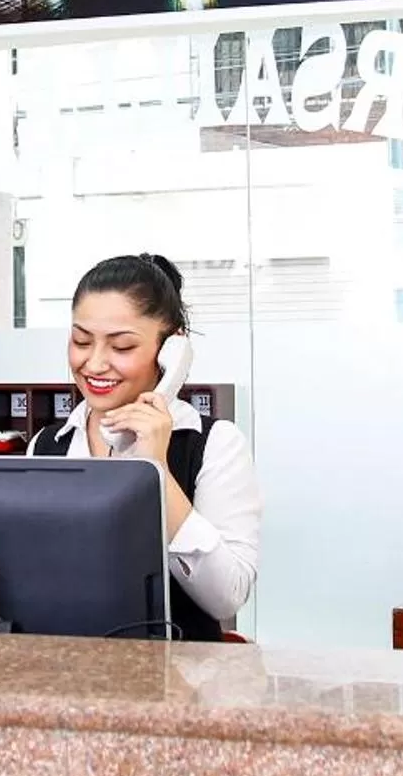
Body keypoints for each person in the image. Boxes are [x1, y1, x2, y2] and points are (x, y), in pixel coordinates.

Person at [29, 254, 262, 641]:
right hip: (64, 674)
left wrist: (156, 469)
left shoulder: (213, 444)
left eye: (121, 347)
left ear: (171, 351)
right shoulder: (48, 445)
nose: (95, 363)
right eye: (81, 341)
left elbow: (226, 598)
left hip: (176, 686)